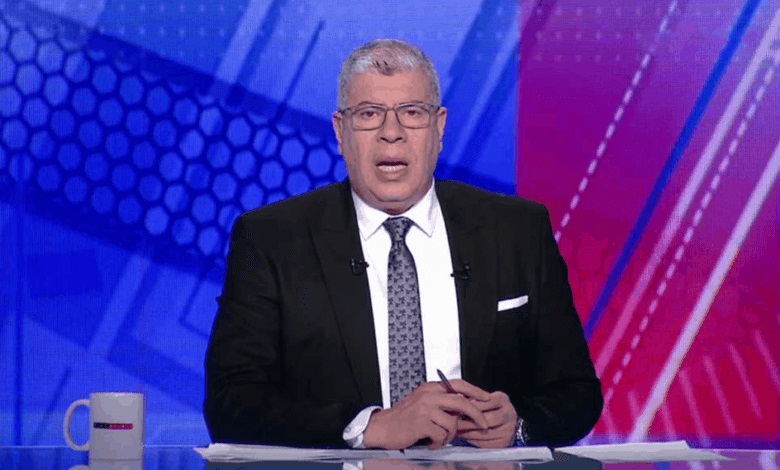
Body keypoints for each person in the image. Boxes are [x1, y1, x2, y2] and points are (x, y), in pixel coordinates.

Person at [204, 39, 602, 450]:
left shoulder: (517, 230)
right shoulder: (272, 239)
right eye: (369, 114)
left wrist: (519, 425)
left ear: (439, 127)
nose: (391, 134)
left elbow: (577, 392)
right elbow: (231, 405)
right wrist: (369, 428)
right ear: (340, 131)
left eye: (412, 113)